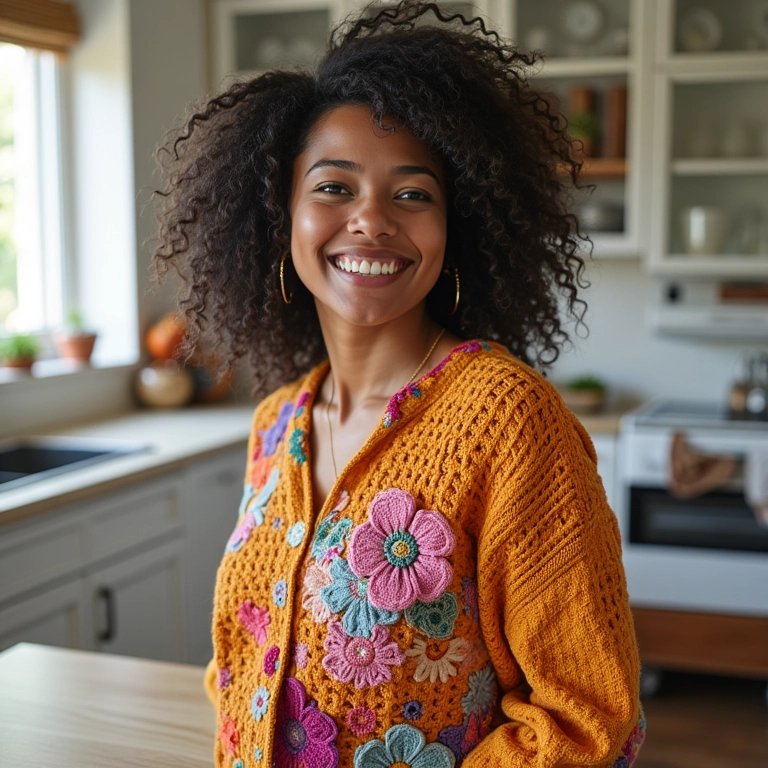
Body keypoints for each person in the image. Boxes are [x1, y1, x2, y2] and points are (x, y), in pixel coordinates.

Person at [153, 2, 644, 766]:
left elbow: (585, 716)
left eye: (412, 194)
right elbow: (243, 662)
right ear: (281, 217)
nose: (372, 220)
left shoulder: (508, 421)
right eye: (333, 187)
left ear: (457, 229)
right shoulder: (277, 422)